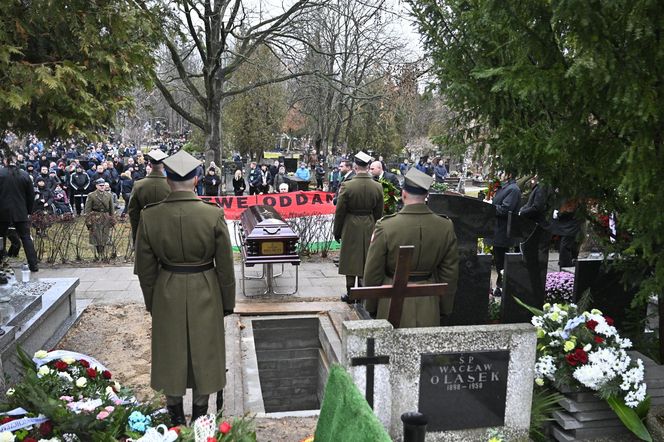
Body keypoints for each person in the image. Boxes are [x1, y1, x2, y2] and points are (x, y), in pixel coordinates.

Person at [134, 149, 235, 426]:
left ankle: (175, 415)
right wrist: (227, 303)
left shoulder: (150, 216)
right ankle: (201, 414)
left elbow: (145, 268)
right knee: (206, 350)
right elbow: (225, 267)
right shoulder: (212, 215)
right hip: (206, 286)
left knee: (171, 350)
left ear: (167, 179)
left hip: (167, 288)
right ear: (196, 180)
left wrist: (152, 300)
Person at [363, 168, 459, 327]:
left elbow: (373, 271)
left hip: (390, 298)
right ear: (426, 195)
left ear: (403, 193)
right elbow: (450, 272)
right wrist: (444, 307)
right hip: (428, 300)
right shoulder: (445, 226)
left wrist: (372, 305)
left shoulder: (386, 226)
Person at [334, 151, 384, 303]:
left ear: (355, 166)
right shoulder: (377, 187)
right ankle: (362, 292)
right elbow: (378, 212)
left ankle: (351, 293)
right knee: (365, 258)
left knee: (350, 259)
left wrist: (337, 231)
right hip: (369, 223)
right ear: (368, 167)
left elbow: (340, 211)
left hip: (350, 224)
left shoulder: (347, 186)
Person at [0, 149, 39, 271]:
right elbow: (31, 196)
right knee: (26, 238)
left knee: (1, 237)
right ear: (16, 161)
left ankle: (1, 263)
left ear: (5, 161)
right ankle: (34, 265)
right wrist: (28, 211)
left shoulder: (0, 173)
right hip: (20, 211)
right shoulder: (24, 174)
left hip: (2, 212)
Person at [127, 149, 171, 244]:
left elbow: (133, 212)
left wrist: (136, 236)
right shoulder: (171, 185)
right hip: (167, 231)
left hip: (145, 230)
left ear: (150, 165)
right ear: (164, 165)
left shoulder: (139, 185)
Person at [491, 171, 522, 293]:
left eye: (502, 172)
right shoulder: (505, 187)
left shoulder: (513, 189)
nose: (499, 174)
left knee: (502, 261)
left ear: (509, 174)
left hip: (503, 231)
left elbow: (505, 209)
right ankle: (500, 285)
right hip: (498, 230)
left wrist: (490, 208)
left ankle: (504, 287)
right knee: (499, 260)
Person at [84, 178, 114, 257]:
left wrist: (112, 219)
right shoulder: (91, 195)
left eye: (103, 185)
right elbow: (87, 209)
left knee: (105, 235)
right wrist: (88, 220)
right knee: (96, 236)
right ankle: (99, 252)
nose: (102, 187)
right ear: (96, 186)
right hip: (95, 216)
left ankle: (103, 252)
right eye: (100, 185)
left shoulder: (109, 195)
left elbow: (111, 208)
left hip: (105, 217)